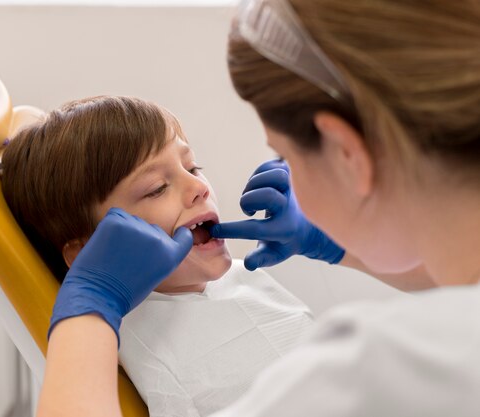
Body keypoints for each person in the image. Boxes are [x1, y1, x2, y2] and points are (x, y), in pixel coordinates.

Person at [37, 0, 480, 416]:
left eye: (285, 154)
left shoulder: (368, 374)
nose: (198, 187)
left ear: (348, 154)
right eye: (156, 188)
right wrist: (345, 248)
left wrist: (90, 307)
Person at [0, 95, 315, 416]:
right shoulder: (111, 341)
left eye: (192, 166)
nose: (199, 186)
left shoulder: (245, 277)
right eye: (156, 188)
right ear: (86, 252)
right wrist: (97, 296)